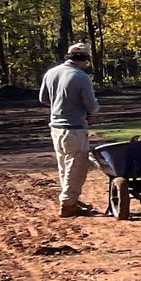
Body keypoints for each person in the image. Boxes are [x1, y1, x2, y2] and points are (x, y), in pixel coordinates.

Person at [37, 42, 100, 218]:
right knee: (77, 165)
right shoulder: (81, 77)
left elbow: (43, 98)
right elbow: (92, 106)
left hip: (55, 127)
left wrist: (60, 105)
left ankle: (69, 198)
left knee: (64, 164)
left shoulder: (51, 73)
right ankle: (68, 202)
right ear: (86, 59)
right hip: (74, 128)